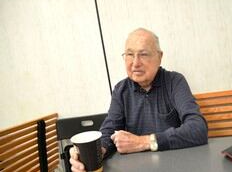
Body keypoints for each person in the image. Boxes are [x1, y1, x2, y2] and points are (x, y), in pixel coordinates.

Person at [70, 28, 208, 171]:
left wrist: (144, 142)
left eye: (143, 54)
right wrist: (95, 152)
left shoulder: (175, 81)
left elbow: (198, 129)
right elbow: (109, 131)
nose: (135, 63)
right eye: (130, 54)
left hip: (176, 165)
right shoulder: (121, 90)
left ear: (159, 57)